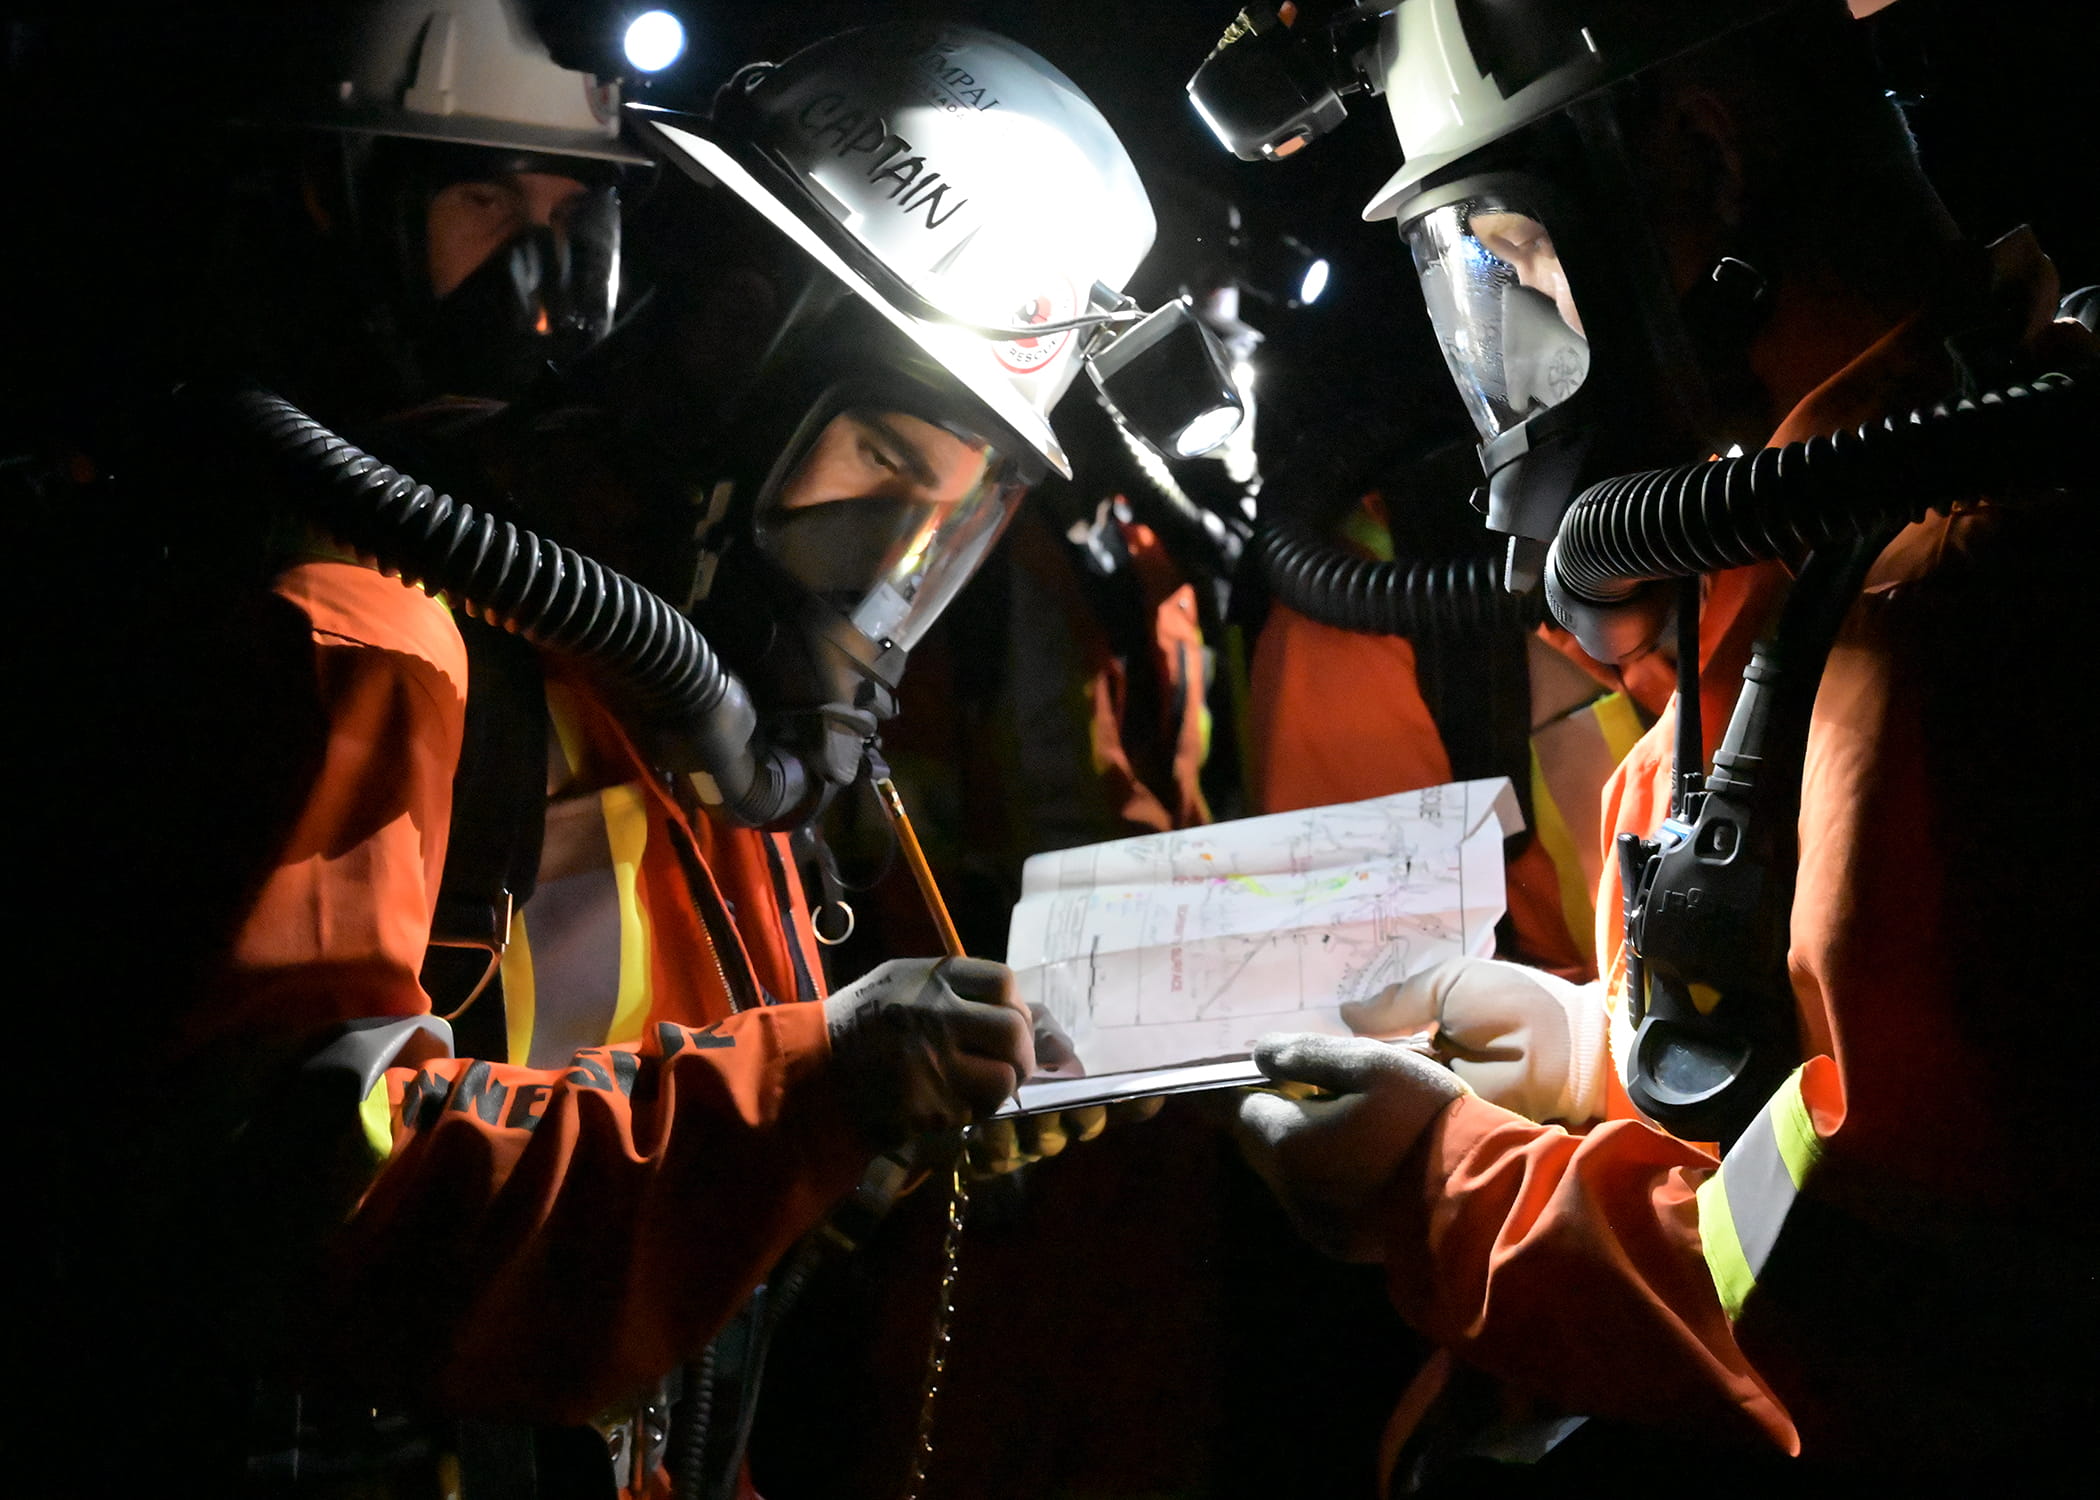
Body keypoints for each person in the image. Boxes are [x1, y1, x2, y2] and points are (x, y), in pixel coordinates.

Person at [26, 9, 1192, 1493]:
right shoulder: (382, 631)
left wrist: (873, 1143)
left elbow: (653, 1180)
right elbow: (291, 1205)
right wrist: (816, 1091)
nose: (890, 554)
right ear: (729, 348)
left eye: (945, 514)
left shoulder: (692, 713)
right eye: (883, 460)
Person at [1227, 0, 2096, 1485]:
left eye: (1509, 259)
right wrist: (1599, 1050)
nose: (1508, 347)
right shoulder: (1842, 554)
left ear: (1705, 158)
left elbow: (1873, 1300)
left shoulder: (1945, 614)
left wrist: (1448, 1188)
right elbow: (1826, 1102)